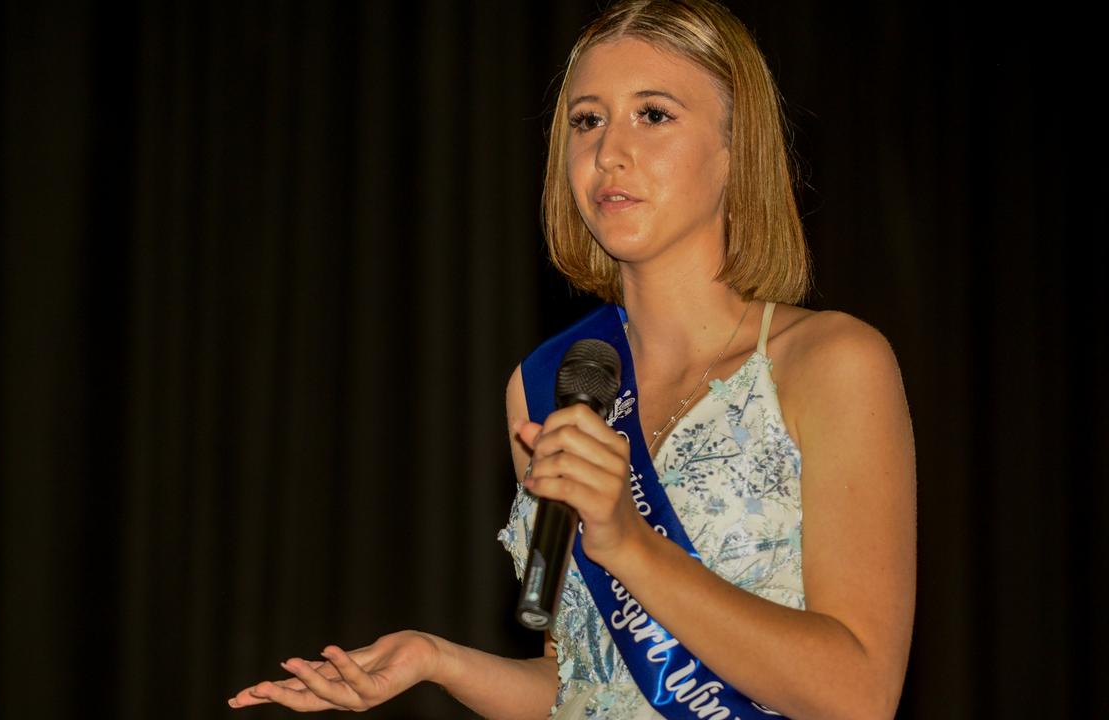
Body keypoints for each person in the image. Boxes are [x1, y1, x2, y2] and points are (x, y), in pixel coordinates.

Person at [227, 0, 916, 717]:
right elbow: (584, 683)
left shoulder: (832, 364)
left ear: (736, 147)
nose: (609, 151)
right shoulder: (549, 384)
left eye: (653, 114)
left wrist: (629, 544)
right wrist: (438, 659)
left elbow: (858, 694)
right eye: (588, 120)